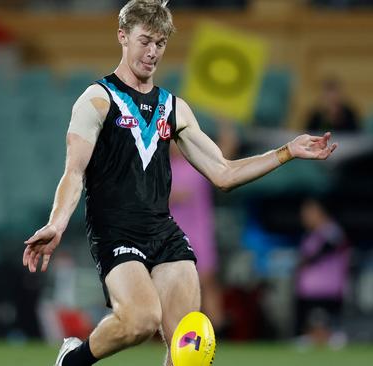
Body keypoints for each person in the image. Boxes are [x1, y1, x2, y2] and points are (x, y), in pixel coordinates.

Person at [22, 1, 337, 365]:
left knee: (190, 347)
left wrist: (287, 151)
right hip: (116, 232)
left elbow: (224, 172)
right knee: (141, 321)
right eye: (145, 41)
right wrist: (57, 224)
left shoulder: (174, 108)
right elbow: (73, 173)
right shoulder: (96, 101)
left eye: (160, 43)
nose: (152, 52)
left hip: (164, 232)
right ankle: (73, 359)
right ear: (122, 36)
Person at [168, 118, 238, 337]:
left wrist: (225, 118)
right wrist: (170, 196)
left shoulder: (196, 161)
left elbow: (226, 151)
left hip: (200, 231)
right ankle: (180, 331)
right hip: (172, 233)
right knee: (177, 285)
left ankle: (217, 328)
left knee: (207, 280)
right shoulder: (161, 166)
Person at [294, 197, 349, 349]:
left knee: (325, 321)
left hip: (327, 288)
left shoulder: (331, 230)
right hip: (308, 288)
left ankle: (332, 338)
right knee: (309, 324)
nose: (304, 216)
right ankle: (311, 338)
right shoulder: (309, 234)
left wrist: (307, 260)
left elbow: (328, 247)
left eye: (308, 212)